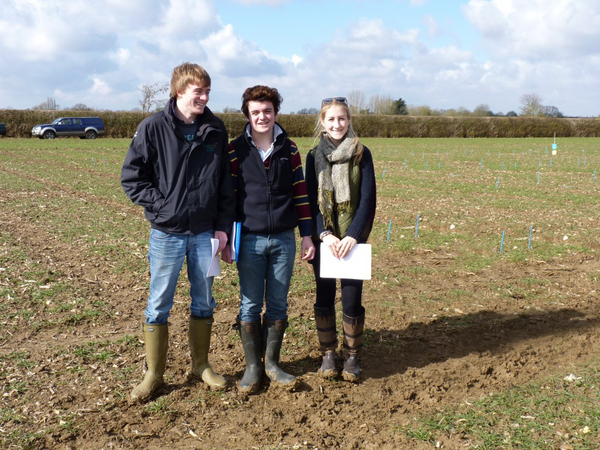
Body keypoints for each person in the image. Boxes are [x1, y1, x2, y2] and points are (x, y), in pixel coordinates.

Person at [121, 62, 235, 402]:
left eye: (207, 91)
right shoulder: (153, 127)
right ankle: (154, 374)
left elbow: (225, 184)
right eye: (198, 91)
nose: (204, 96)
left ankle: (201, 365)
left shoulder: (215, 128)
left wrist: (222, 227)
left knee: (204, 300)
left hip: (205, 234)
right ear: (179, 91)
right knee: (158, 304)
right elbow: (132, 178)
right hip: (167, 233)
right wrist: (162, 208)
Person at [222, 85, 315, 393]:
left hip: (284, 240)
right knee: (249, 304)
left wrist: (307, 236)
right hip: (249, 239)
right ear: (247, 115)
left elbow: (301, 194)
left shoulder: (290, 150)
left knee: (277, 302)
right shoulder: (235, 151)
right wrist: (227, 238)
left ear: (276, 113)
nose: (262, 116)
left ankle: (272, 364)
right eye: (256, 112)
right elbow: (229, 198)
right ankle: (252, 367)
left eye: (268, 111)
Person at [305, 97, 376, 382]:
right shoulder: (313, 157)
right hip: (325, 241)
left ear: (349, 120)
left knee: (351, 299)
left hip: (351, 242)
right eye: (331, 119)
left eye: (342, 119)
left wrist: (353, 236)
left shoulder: (362, 153)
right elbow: (311, 200)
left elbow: (368, 200)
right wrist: (323, 234)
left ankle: (352, 356)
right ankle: (328, 354)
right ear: (323, 121)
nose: (337, 124)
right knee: (323, 296)